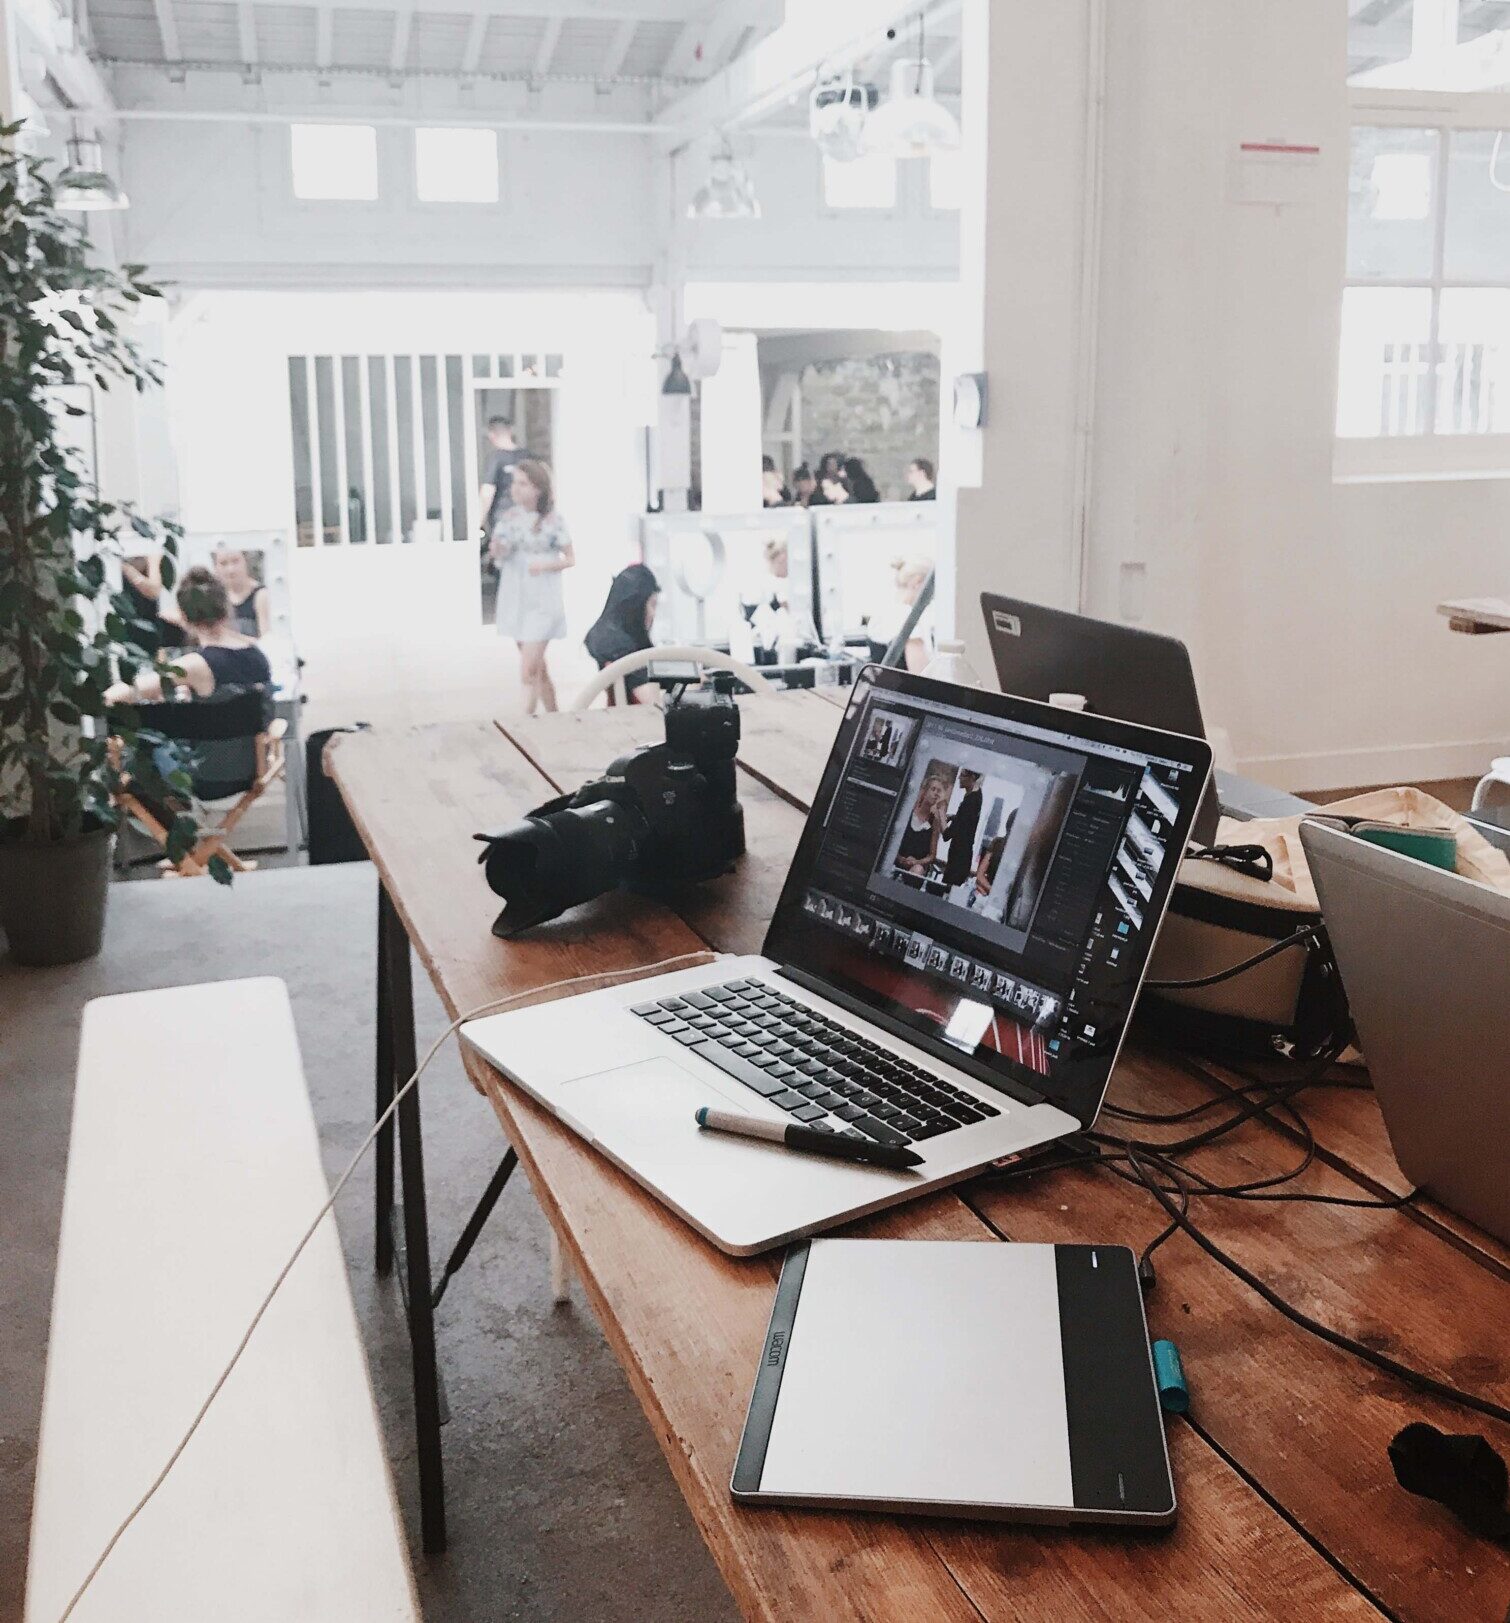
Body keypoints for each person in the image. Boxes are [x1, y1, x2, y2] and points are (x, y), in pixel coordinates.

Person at [107, 566, 272, 705]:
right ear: (226, 608)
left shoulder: (194, 666)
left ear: (184, 617)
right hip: (254, 742)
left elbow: (117, 695)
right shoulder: (258, 656)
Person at [490, 458, 574, 715]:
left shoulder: (553, 521)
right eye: (515, 483)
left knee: (527, 671)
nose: (516, 489)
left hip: (543, 599)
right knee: (537, 668)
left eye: (524, 483)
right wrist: (497, 549)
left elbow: (570, 558)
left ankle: (523, 722)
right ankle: (555, 715)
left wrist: (544, 565)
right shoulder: (509, 518)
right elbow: (499, 553)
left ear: (538, 488)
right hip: (516, 597)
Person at [584, 563, 660, 704]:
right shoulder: (622, 650)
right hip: (641, 721)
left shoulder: (605, 637)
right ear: (636, 606)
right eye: (652, 604)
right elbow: (655, 707)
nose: (653, 613)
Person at [121, 552, 187, 657]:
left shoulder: (153, 556)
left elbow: (153, 590)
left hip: (154, 627)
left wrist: (126, 568)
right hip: (129, 627)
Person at [477, 417, 529, 538]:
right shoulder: (528, 457)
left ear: (491, 435)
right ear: (510, 432)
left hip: (503, 517)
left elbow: (487, 493)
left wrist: (477, 523)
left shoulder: (495, 459)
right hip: (528, 516)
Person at [213, 546, 271, 639]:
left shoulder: (261, 595)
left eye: (235, 561)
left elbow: (266, 640)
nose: (230, 569)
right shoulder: (216, 596)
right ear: (216, 567)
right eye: (223, 564)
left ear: (245, 562)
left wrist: (232, 637)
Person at [895, 775, 947, 875]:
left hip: (915, 867)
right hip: (896, 860)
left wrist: (916, 862)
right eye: (933, 789)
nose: (936, 794)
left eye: (939, 791)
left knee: (918, 870)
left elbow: (932, 856)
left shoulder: (934, 822)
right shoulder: (908, 813)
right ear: (925, 791)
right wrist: (899, 858)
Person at [943, 770, 984, 894]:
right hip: (964, 855)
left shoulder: (969, 802)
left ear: (972, 777)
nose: (959, 778)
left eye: (962, 775)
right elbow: (967, 819)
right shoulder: (977, 796)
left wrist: (940, 814)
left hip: (958, 859)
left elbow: (947, 835)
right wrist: (954, 817)